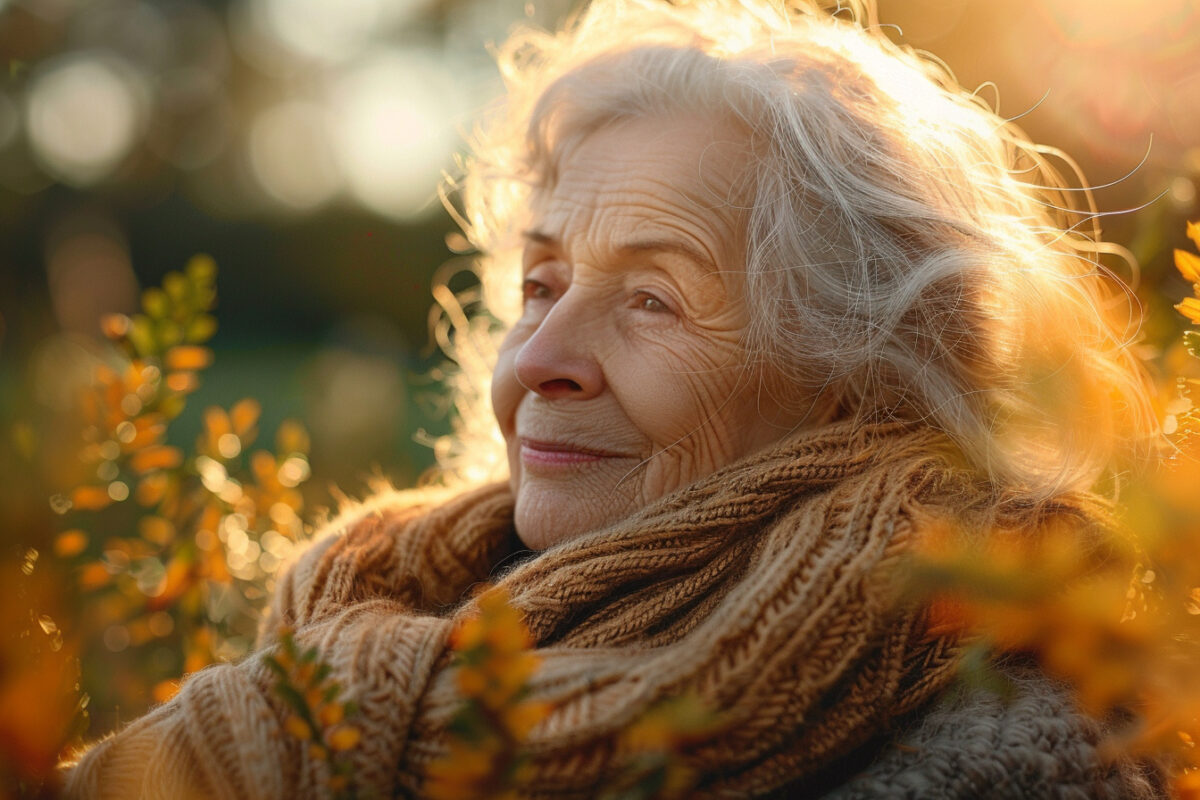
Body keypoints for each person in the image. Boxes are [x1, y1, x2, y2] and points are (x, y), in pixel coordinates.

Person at [64, 0, 1165, 797]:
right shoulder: (361, 624)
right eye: (539, 284)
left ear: (854, 382)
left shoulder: (1016, 736)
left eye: (652, 298)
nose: (541, 354)